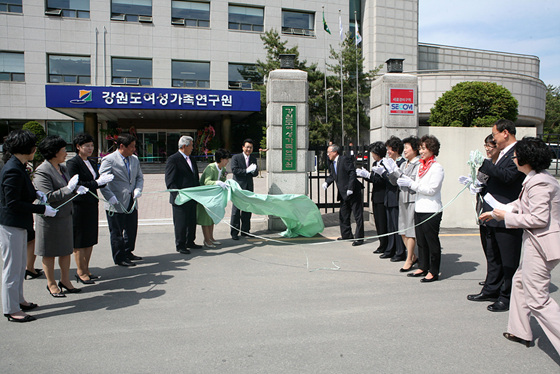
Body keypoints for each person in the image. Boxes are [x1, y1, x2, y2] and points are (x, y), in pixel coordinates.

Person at [479, 137, 560, 353]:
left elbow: (539, 219)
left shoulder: (541, 182)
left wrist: (506, 217)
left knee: (538, 300)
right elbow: (522, 204)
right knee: (519, 282)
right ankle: (520, 330)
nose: (513, 158)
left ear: (526, 158)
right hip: (537, 243)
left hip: (541, 245)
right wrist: (499, 211)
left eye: (515, 155)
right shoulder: (536, 178)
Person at [467, 119, 524, 312]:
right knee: (492, 255)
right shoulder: (501, 155)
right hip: (491, 213)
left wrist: (483, 163)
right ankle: (491, 288)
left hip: (507, 213)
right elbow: (496, 177)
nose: (493, 139)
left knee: (508, 259)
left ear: (505, 133)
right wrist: (478, 185)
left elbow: (508, 177)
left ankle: (507, 296)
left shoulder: (518, 152)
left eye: (495, 134)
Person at [1, 130, 55, 322]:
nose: (35, 149)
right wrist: (41, 208)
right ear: (27, 148)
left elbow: (25, 191)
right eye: (33, 146)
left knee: (19, 265)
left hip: (20, 224)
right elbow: (12, 203)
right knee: (13, 267)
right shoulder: (12, 169)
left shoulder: (19, 165)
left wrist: (37, 194)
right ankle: (11, 308)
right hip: (11, 224)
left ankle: (18, 299)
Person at [34, 135, 87, 296]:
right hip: (50, 218)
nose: (66, 153)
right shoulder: (42, 171)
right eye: (63, 150)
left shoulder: (62, 168)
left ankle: (65, 280)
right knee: (49, 252)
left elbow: (69, 188)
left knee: (65, 251)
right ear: (54, 152)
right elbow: (46, 196)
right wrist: (69, 190)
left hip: (65, 216)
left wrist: (76, 189)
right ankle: (51, 284)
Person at [67, 133, 113, 283]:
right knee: (80, 240)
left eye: (91, 146)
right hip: (79, 205)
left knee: (90, 238)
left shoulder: (92, 162)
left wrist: (104, 181)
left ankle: (86, 268)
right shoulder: (73, 163)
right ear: (78, 147)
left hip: (92, 204)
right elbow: (77, 185)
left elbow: (98, 180)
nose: (90, 148)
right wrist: (98, 183)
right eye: (86, 146)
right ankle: (80, 272)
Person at [398, 135, 444, 282]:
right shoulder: (422, 166)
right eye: (420, 148)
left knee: (431, 241)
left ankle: (433, 270)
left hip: (431, 209)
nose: (421, 151)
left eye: (424, 148)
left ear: (432, 149)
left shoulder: (437, 167)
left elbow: (432, 189)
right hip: (419, 208)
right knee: (421, 241)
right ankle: (423, 266)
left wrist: (412, 184)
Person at [99, 134, 144, 267]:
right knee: (117, 231)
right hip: (115, 201)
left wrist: (138, 189)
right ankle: (119, 257)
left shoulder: (134, 159)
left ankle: (128, 251)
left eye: (134, 147)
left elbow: (139, 177)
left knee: (131, 228)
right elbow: (102, 182)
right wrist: (110, 197)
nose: (133, 149)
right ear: (121, 146)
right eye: (131, 147)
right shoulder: (109, 160)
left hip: (131, 199)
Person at [387, 136, 421, 271]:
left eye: (407, 147)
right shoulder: (403, 164)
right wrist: (391, 172)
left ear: (415, 149)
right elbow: (395, 182)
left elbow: (411, 180)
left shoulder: (418, 164)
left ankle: (409, 258)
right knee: (402, 230)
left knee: (410, 230)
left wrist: (398, 173)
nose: (405, 150)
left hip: (412, 199)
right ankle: (412, 256)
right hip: (402, 198)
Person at [165, 136, 201, 254]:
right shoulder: (173, 159)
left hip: (192, 196)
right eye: (191, 145)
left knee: (191, 220)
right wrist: (177, 195)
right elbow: (170, 181)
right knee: (181, 223)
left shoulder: (192, 159)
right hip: (180, 198)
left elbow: (195, 177)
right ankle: (180, 245)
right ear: (184, 146)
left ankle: (190, 241)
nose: (192, 148)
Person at [323, 144, 364, 246]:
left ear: (335, 152)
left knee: (357, 215)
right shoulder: (333, 163)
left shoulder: (344, 159)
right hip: (343, 193)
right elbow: (332, 175)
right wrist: (327, 182)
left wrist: (350, 188)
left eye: (329, 152)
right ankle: (346, 235)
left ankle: (359, 238)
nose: (328, 154)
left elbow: (352, 173)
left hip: (353, 192)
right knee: (343, 215)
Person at [357, 142, 388, 254]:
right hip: (375, 196)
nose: (372, 155)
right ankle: (382, 244)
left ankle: (385, 245)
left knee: (383, 223)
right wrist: (366, 176)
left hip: (382, 197)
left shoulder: (385, 164)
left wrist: (370, 176)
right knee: (378, 223)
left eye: (373, 153)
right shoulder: (375, 163)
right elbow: (374, 179)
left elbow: (382, 181)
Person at [379, 136, 406, 260]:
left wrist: (386, 173)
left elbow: (396, 181)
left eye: (390, 149)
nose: (388, 152)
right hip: (388, 197)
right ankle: (390, 249)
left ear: (396, 149)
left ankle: (400, 251)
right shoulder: (390, 162)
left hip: (396, 198)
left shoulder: (402, 163)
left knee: (397, 226)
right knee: (390, 226)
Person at [197, 149, 231, 248]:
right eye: (226, 159)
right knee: (205, 219)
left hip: (214, 198)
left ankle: (211, 238)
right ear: (221, 159)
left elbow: (224, 180)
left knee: (211, 218)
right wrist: (217, 182)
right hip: (205, 197)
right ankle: (207, 240)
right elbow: (207, 181)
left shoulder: (223, 169)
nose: (227, 161)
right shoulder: (210, 168)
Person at [230, 139, 258, 240]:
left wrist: (253, 171)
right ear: (243, 147)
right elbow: (234, 170)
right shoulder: (236, 157)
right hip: (238, 187)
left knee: (247, 209)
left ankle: (245, 231)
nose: (249, 149)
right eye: (247, 147)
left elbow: (256, 173)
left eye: (250, 147)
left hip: (249, 187)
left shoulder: (253, 159)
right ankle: (234, 232)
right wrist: (246, 171)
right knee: (236, 210)